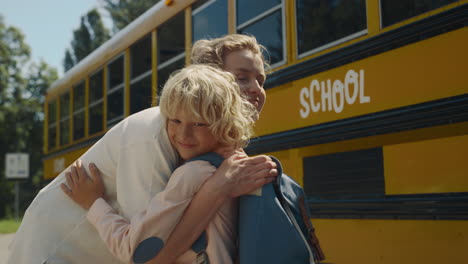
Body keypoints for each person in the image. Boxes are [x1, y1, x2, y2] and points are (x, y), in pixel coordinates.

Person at [8, 34, 274, 264]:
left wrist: (218, 187)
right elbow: (148, 253)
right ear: (208, 79)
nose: (256, 90)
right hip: (58, 252)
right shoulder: (152, 137)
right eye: (242, 78)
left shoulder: (216, 153)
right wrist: (218, 188)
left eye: (260, 80)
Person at [62, 64, 256, 263]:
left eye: (199, 123)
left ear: (223, 124)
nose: (183, 134)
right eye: (175, 121)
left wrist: (93, 204)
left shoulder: (192, 175)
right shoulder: (237, 164)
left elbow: (133, 250)